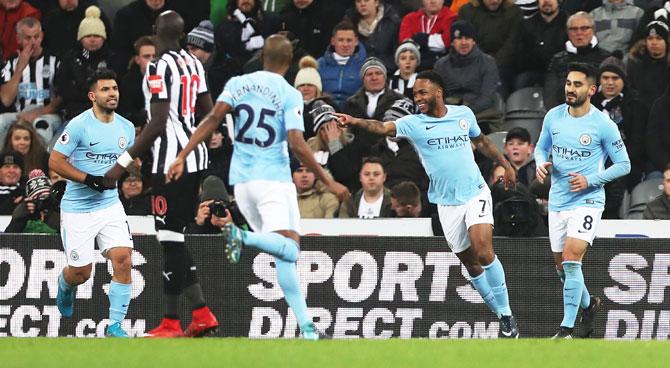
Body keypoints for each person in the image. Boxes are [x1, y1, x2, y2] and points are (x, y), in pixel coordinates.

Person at [166, 34, 350, 339]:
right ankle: (241, 235)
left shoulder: (238, 84)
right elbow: (297, 144)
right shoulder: (289, 94)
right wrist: (328, 180)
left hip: (241, 183)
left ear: (262, 55)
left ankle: (307, 328)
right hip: (273, 180)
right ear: (289, 62)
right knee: (290, 249)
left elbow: (212, 118)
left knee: (282, 253)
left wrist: (183, 155)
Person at [336, 70, 520, 338]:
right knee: (471, 265)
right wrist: (354, 121)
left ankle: (506, 312)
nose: (418, 98)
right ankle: (503, 315)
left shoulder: (463, 115)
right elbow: (382, 127)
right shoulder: (413, 123)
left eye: (422, 93)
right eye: (415, 94)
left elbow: (481, 142)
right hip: (446, 203)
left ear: (438, 92)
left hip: (475, 192)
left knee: (483, 250)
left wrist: (506, 165)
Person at [102, 11, 219, 338]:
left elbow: (156, 124)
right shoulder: (195, 63)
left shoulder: (157, 66)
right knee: (176, 238)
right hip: (196, 158)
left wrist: (119, 166)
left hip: (170, 163)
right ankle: (200, 313)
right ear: (182, 35)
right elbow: (209, 114)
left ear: (155, 32)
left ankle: (171, 322)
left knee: (169, 240)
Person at [534, 62, 630, 338]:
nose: (570, 89)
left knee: (571, 260)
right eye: (568, 83)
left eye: (577, 84)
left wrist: (591, 181)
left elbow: (624, 164)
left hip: (588, 201)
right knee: (561, 269)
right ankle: (589, 306)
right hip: (558, 200)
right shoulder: (554, 116)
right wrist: (541, 163)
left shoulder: (603, 124)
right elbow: (541, 148)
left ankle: (566, 329)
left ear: (591, 90)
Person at [48, 69, 135, 338]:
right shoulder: (78, 125)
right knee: (81, 273)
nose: (112, 94)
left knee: (123, 259)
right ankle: (65, 284)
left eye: (115, 89)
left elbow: (127, 158)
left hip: (110, 205)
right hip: (77, 209)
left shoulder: (127, 128)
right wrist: (88, 179)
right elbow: (55, 161)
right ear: (92, 95)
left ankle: (115, 326)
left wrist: (123, 172)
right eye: (106, 89)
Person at [0, 17, 62, 146]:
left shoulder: (55, 61)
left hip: (47, 114)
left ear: (42, 36)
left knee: (41, 125)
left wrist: (36, 113)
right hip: (20, 114)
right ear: (18, 39)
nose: (33, 42)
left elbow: (61, 99)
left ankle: (39, 163)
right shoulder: (11, 63)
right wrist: (19, 69)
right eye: (28, 38)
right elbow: (6, 99)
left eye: (36, 37)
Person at [433, 20, 502, 133]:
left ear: (474, 41)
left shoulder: (488, 62)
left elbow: (487, 97)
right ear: (452, 42)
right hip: (449, 115)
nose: (464, 42)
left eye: (468, 38)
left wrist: (465, 112)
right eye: (459, 38)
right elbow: (437, 95)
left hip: (480, 115)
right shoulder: (441, 65)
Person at [543, 12, 610, 109]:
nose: (579, 33)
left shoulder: (606, 58)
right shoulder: (557, 60)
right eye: (574, 29)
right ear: (568, 32)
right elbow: (550, 94)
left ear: (593, 31)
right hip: (564, 115)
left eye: (584, 28)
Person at [317, 21, 367, 108]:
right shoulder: (320, 64)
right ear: (333, 41)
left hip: (355, 110)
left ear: (356, 42)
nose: (345, 44)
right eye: (340, 40)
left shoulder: (365, 65)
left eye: (349, 40)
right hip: (325, 109)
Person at [397, 0, 457, 70]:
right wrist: (436, 41)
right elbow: (406, 45)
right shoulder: (409, 19)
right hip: (414, 69)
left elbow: (445, 43)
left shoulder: (452, 18)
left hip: (443, 69)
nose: (433, 1)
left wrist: (422, 40)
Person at [4, 168, 60, 233]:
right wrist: (21, 215)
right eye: (38, 198)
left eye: (46, 197)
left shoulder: (58, 208)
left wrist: (50, 214)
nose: (43, 201)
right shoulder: (25, 211)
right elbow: (8, 238)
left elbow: (67, 232)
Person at [0, 150, 24, 215]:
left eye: (15, 167)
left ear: (21, 172)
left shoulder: (28, 191)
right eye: (7, 166)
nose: (11, 171)